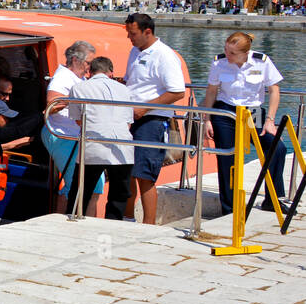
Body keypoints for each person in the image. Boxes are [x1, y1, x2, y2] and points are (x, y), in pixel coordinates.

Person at [201, 31, 287, 215]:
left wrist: (270, 120)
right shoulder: (219, 62)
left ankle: (273, 199)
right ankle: (230, 208)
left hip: (253, 111)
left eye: (232, 53)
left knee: (276, 148)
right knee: (227, 158)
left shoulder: (261, 61)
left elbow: (274, 90)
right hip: (225, 111)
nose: (228, 55)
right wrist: (207, 119)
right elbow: (211, 92)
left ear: (245, 53)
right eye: (226, 50)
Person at [124, 12, 186, 224]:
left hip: (151, 120)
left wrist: (145, 109)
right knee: (128, 170)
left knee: (145, 174)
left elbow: (177, 91)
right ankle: (128, 216)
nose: (129, 38)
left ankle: (148, 223)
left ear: (147, 32)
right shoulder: (135, 51)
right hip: (130, 118)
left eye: (132, 34)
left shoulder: (165, 55)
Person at [64, 57, 135, 219]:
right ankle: (113, 224)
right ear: (111, 72)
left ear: (89, 72)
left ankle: (74, 219)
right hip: (122, 147)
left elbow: (77, 119)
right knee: (118, 196)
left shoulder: (79, 88)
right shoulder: (125, 90)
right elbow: (128, 122)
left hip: (93, 146)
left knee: (81, 191)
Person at [42, 40, 101, 214]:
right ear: (75, 60)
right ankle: (60, 223)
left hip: (77, 137)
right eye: (88, 63)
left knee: (95, 186)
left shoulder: (80, 78)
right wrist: (76, 97)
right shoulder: (62, 78)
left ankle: (90, 226)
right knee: (74, 184)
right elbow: (51, 105)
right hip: (62, 135)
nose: (90, 68)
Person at [0, 97, 42, 227]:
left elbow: (13, 129)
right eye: (5, 117)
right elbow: (14, 131)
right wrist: (41, 116)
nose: (8, 121)